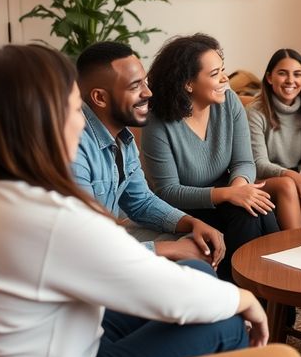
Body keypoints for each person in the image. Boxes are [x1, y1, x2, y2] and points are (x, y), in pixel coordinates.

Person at [0, 45, 267, 357]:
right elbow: (151, 285)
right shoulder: (46, 215)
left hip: (53, 324)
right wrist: (244, 298)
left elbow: (136, 209)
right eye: (69, 107)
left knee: (195, 275)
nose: (79, 121)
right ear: (36, 119)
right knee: (227, 323)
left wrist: (187, 224)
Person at [72, 41, 226, 267]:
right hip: (86, 262)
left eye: (144, 81)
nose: (148, 92)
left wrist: (191, 222)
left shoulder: (123, 137)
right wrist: (171, 249)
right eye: (135, 86)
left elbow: (141, 201)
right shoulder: (74, 146)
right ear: (100, 98)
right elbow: (82, 245)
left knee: (196, 244)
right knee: (189, 257)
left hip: (108, 241)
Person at [142, 34, 279, 282]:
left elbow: (243, 162)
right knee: (251, 215)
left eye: (223, 70)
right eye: (215, 73)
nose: (226, 78)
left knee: (255, 210)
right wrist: (228, 194)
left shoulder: (230, 103)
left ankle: (266, 305)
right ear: (188, 84)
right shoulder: (157, 123)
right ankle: (249, 301)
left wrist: (239, 190)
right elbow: (167, 191)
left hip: (225, 198)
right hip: (184, 210)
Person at [247, 48, 301, 230]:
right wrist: (292, 176)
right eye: (283, 73)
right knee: (287, 185)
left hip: (295, 176)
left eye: (297, 74)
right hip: (262, 180)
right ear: (269, 78)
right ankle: (293, 249)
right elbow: (258, 163)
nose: (291, 80)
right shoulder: (255, 112)